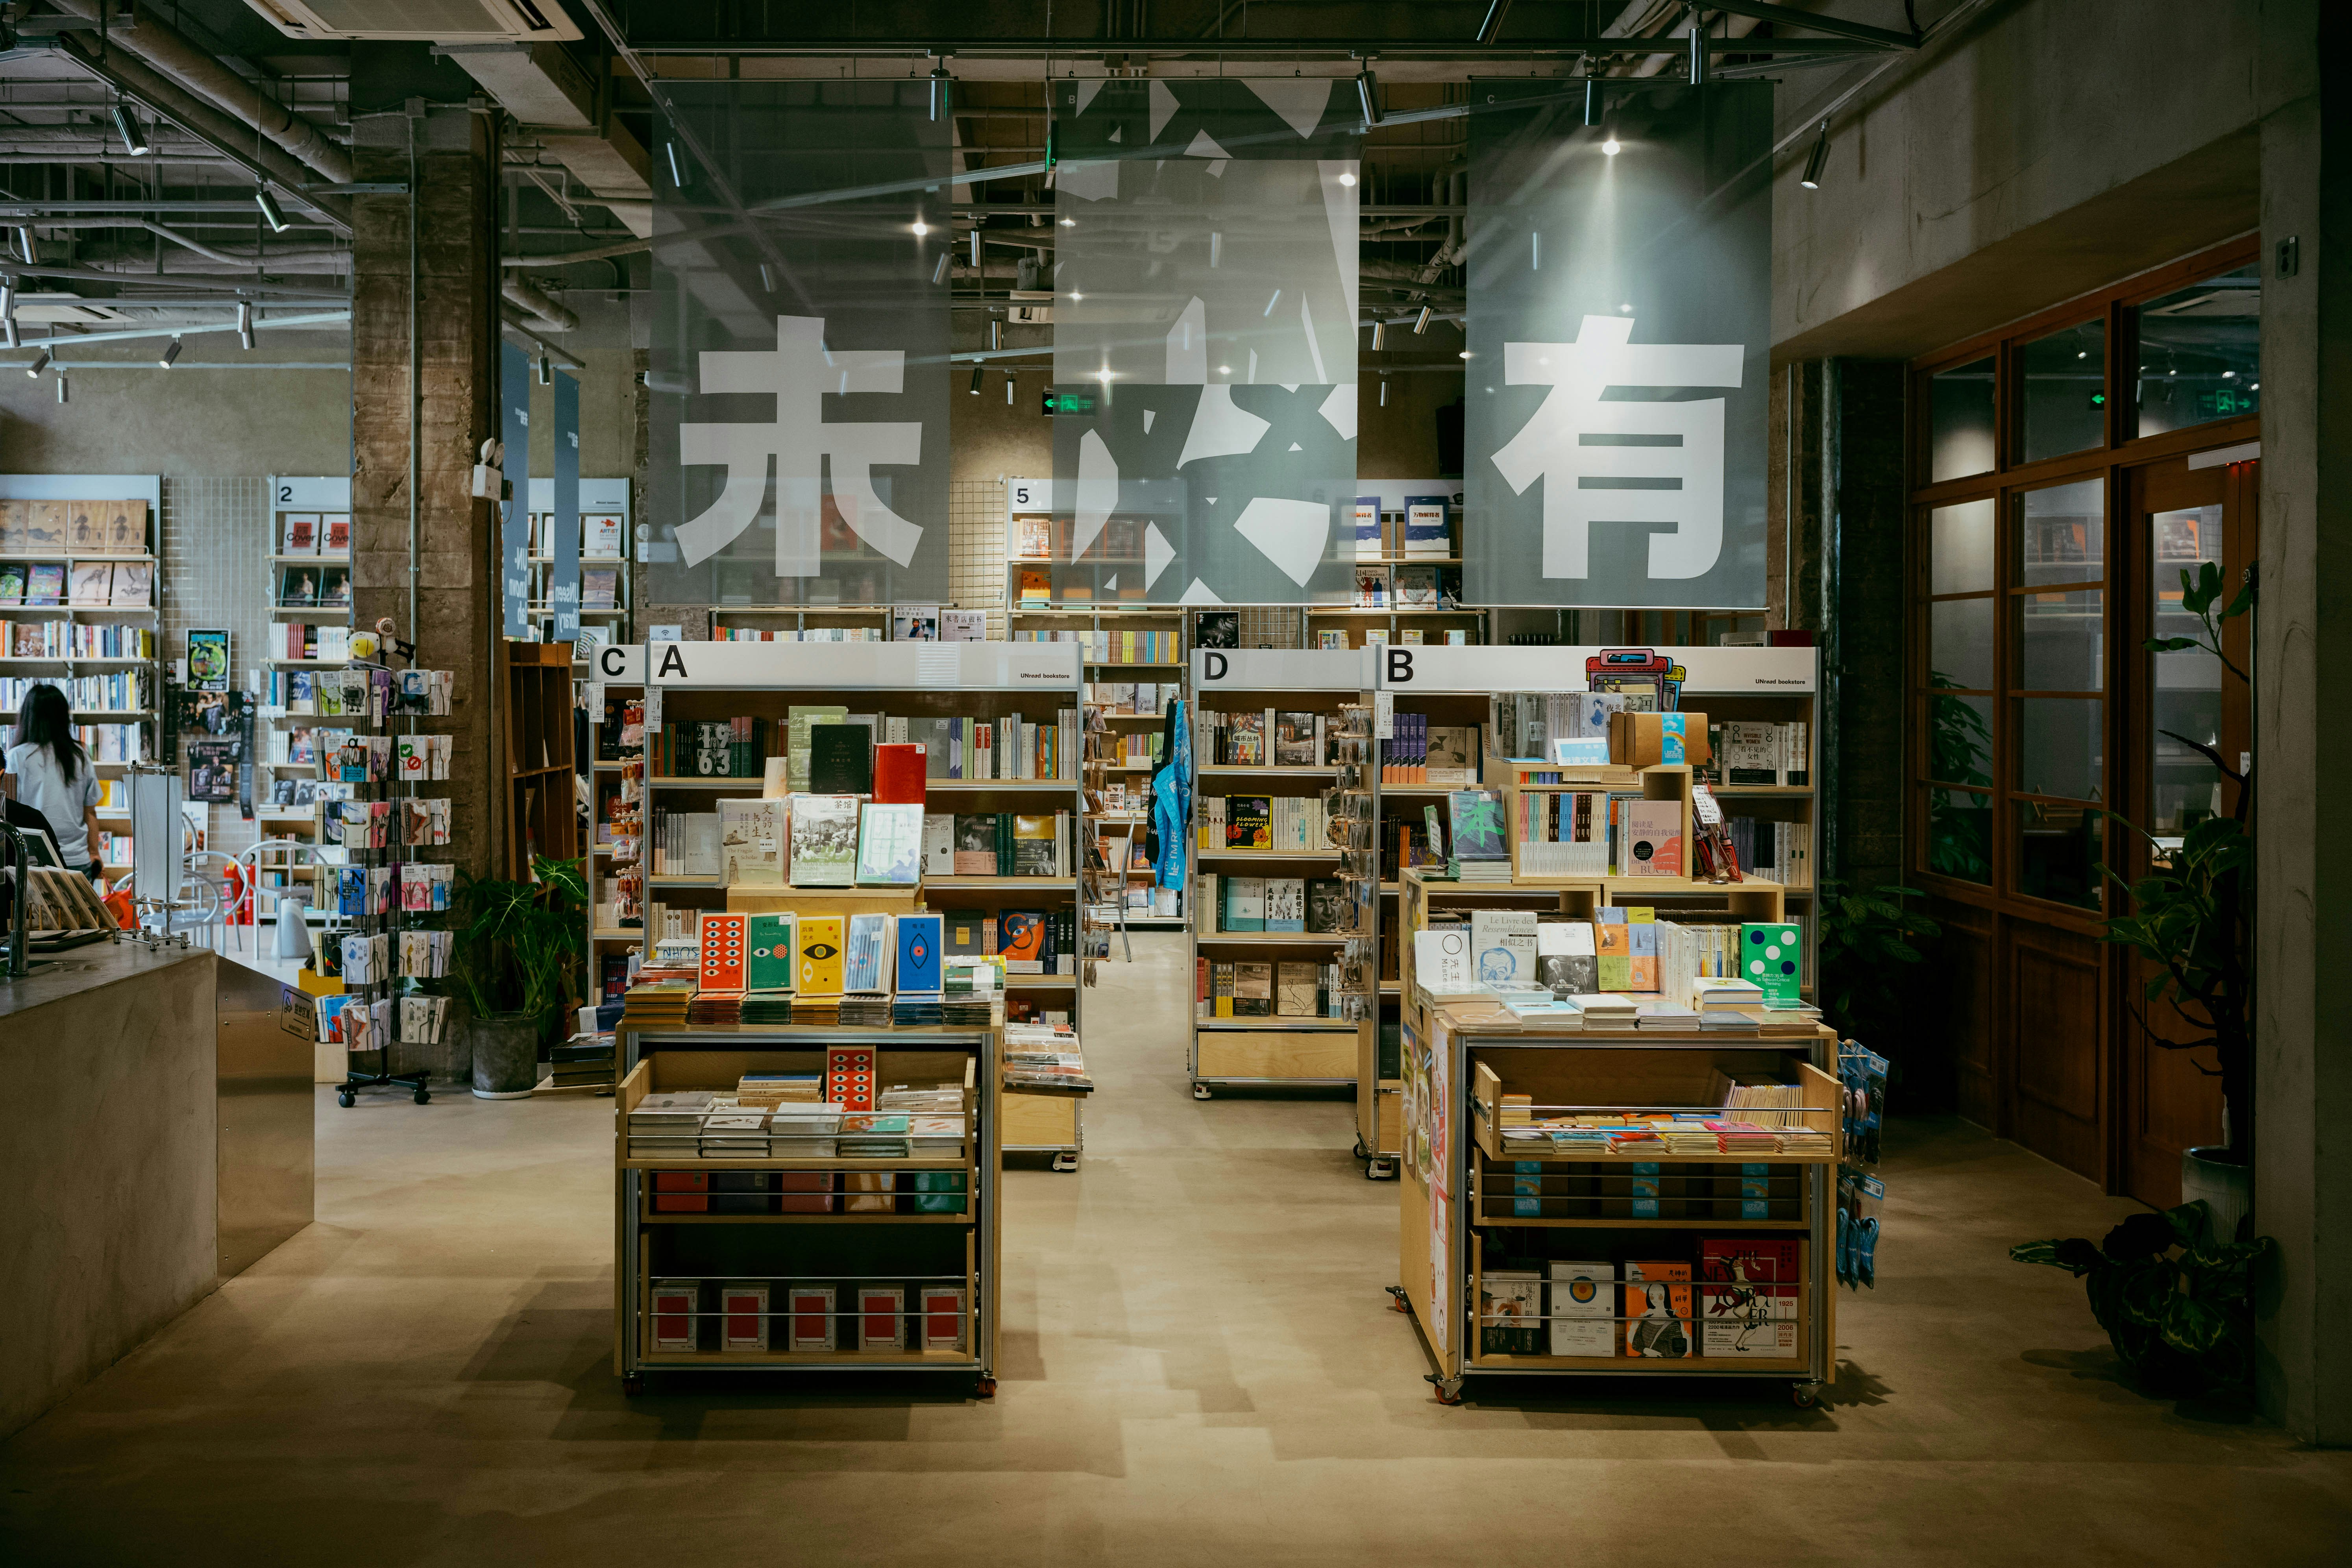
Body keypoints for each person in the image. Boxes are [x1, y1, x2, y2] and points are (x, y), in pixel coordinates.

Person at [5, 684, 103, 884]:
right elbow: (90, 812)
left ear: (28, 716)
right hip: (78, 859)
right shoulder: (79, 755)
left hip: (33, 857)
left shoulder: (17, 757)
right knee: (77, 916)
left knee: (33, 916)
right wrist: (95, 853)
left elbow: (9, 811)